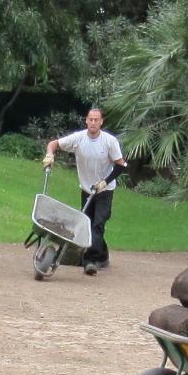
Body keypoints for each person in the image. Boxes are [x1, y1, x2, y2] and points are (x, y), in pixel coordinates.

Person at [43, 108, 127, 276]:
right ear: (86, 121)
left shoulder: (109, 141)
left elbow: (120, 165)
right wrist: (49, 155)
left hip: (104, 190)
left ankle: (90, 261)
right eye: (91, 119)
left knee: (98, 223)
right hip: (87, 188)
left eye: (97, 120)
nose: (93, 123)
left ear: (101, 122)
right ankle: (102, 256)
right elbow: (54, 144)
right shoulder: (78, 139)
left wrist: (105, 182)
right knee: (87, 223)